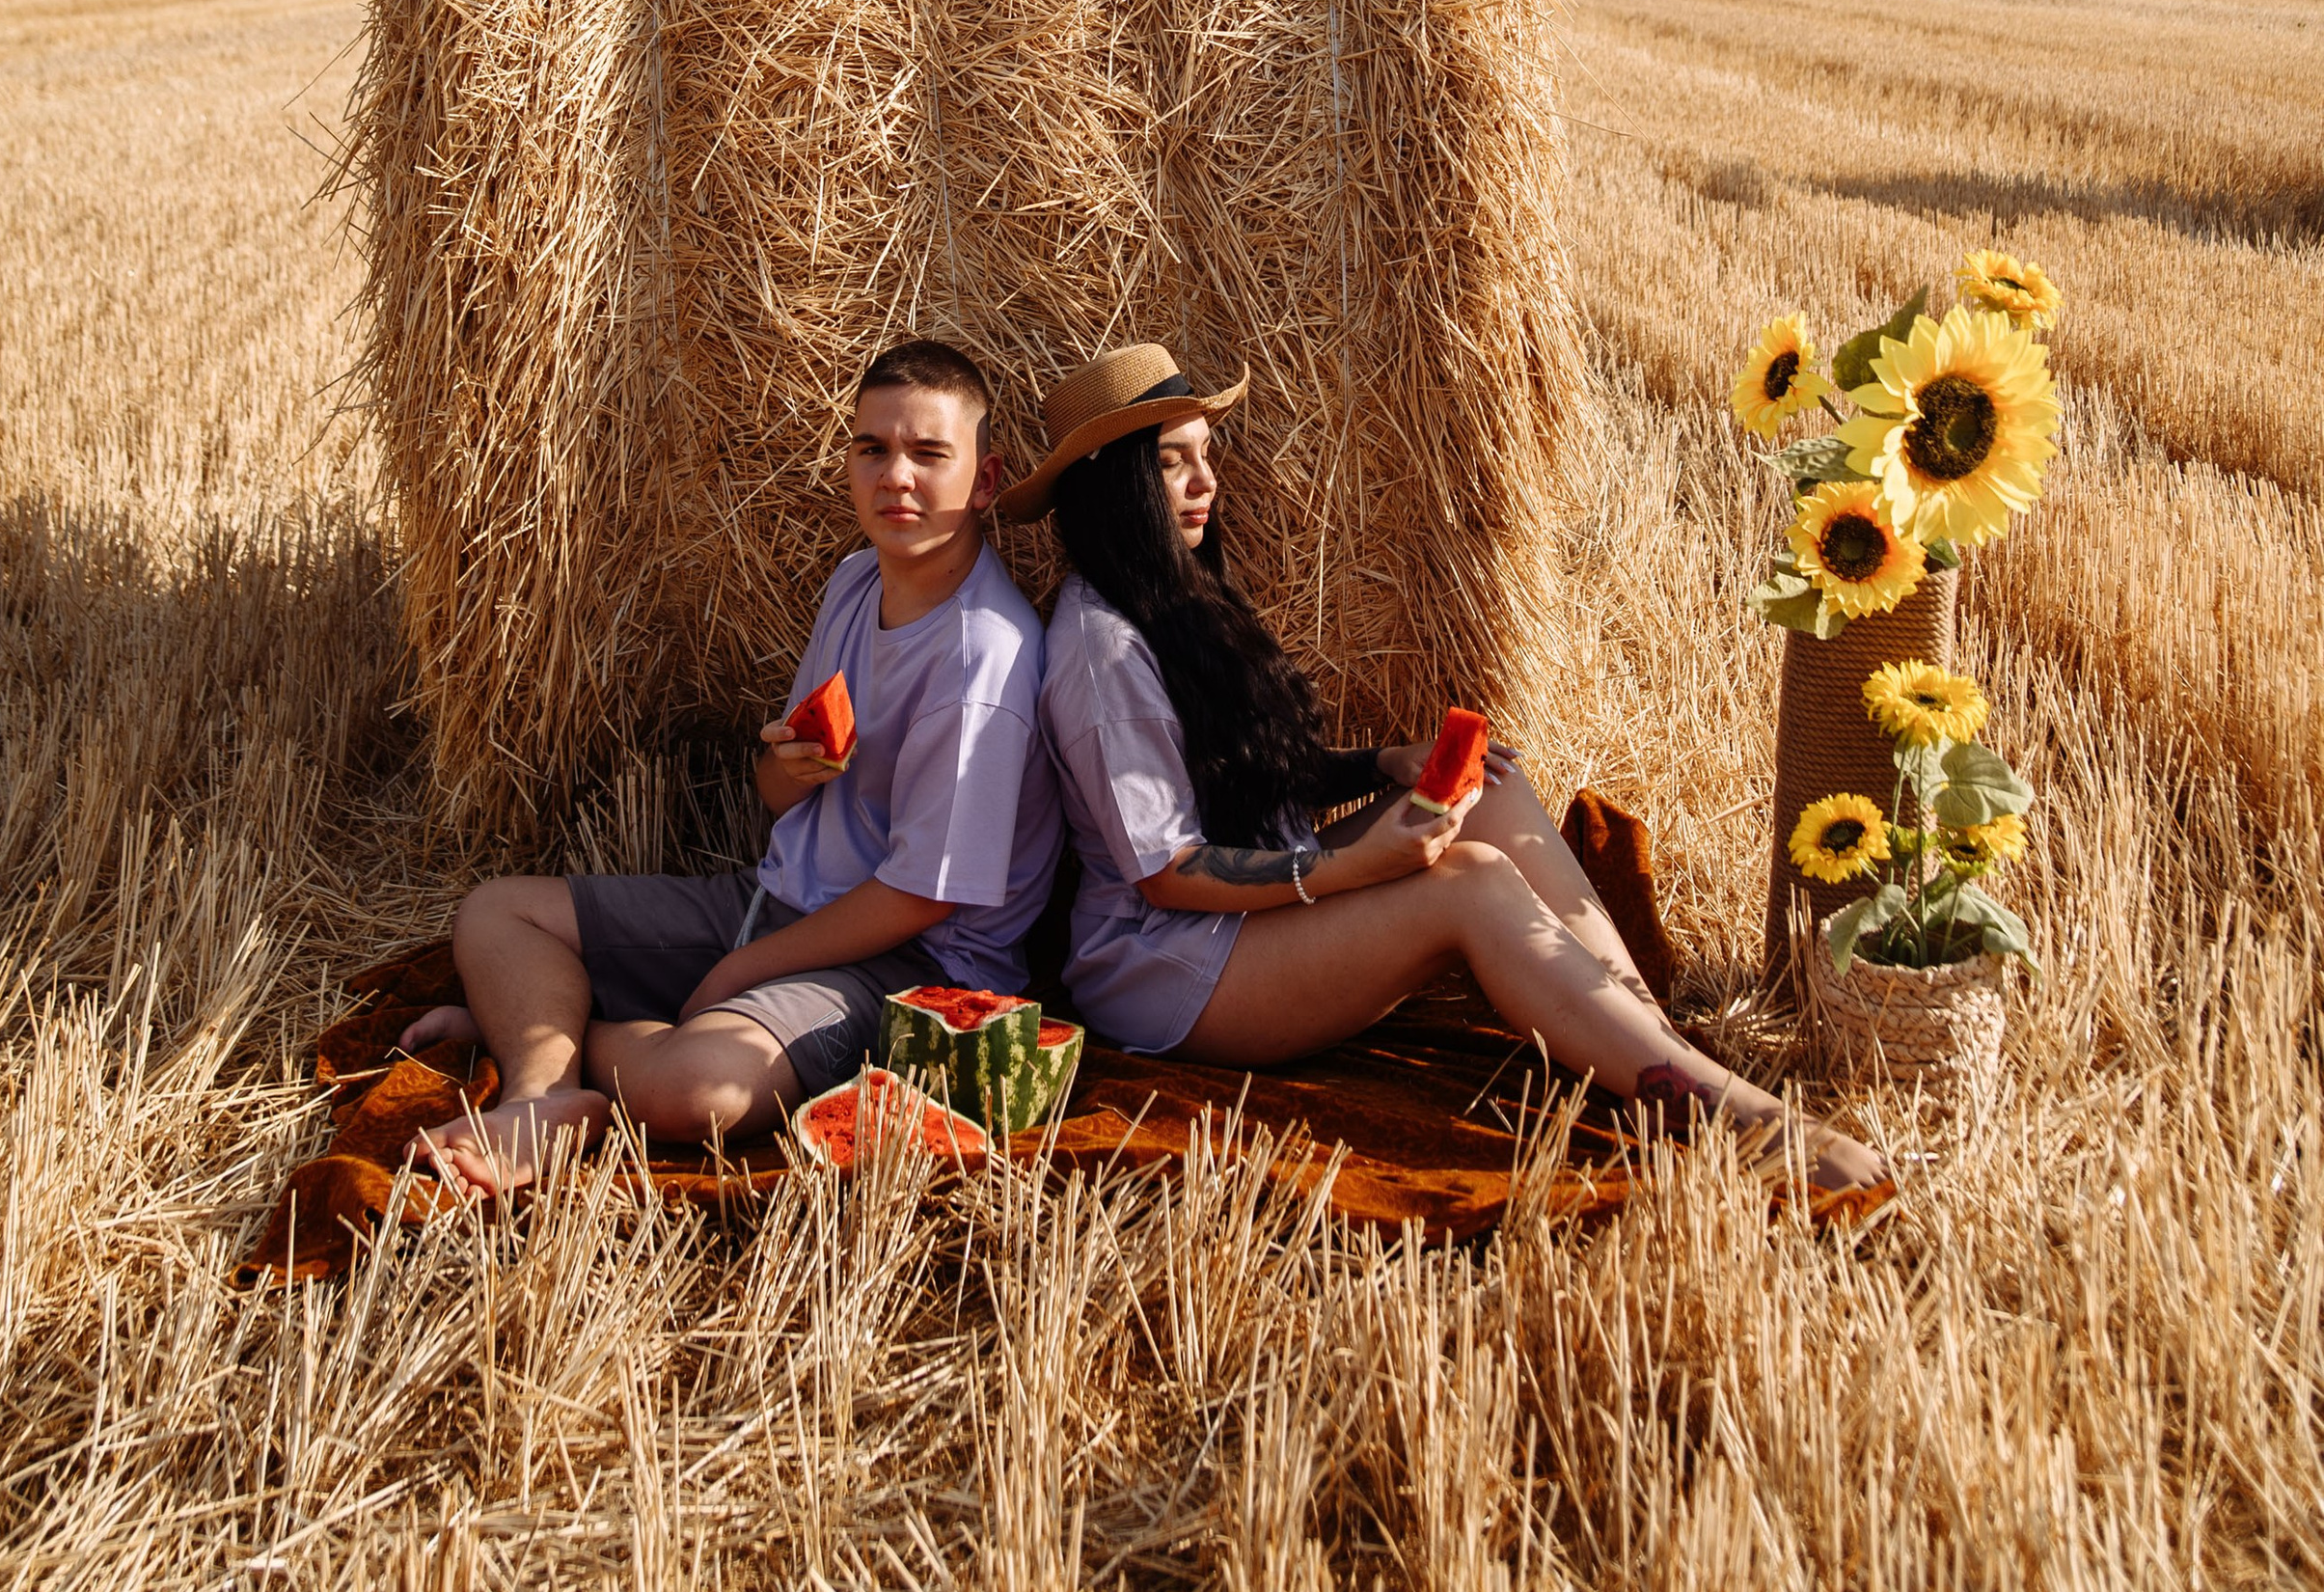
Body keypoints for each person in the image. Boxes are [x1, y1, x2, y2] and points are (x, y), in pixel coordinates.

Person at [1009, 343, 1892, 1200]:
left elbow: (1240, 771)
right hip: (1168, 973)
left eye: (1206, 455)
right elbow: (1168, 873)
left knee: (1490, 795)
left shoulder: (1179, 595)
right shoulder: (1100, 652)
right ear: (1117, 486)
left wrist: (1380, 764)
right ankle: (1730, 1119)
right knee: (1466, 884)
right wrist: (1352, 867)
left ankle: (1655, 1049)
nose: (1206, 483)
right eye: (1173, 464)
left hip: (1243, 918)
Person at [405, 338, 1058, 1194]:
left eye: (929, 454)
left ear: (985, 479)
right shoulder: (856, 583)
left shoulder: (984, 660)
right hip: (780, 897)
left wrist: (740, 971)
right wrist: (788, 770)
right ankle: (542, 1090)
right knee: (497, 915)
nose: (895, 476)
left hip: (911, 969)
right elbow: (779, 796)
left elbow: (922, 894)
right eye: (873, 449)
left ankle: (541, 1028)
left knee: (698, 1092)